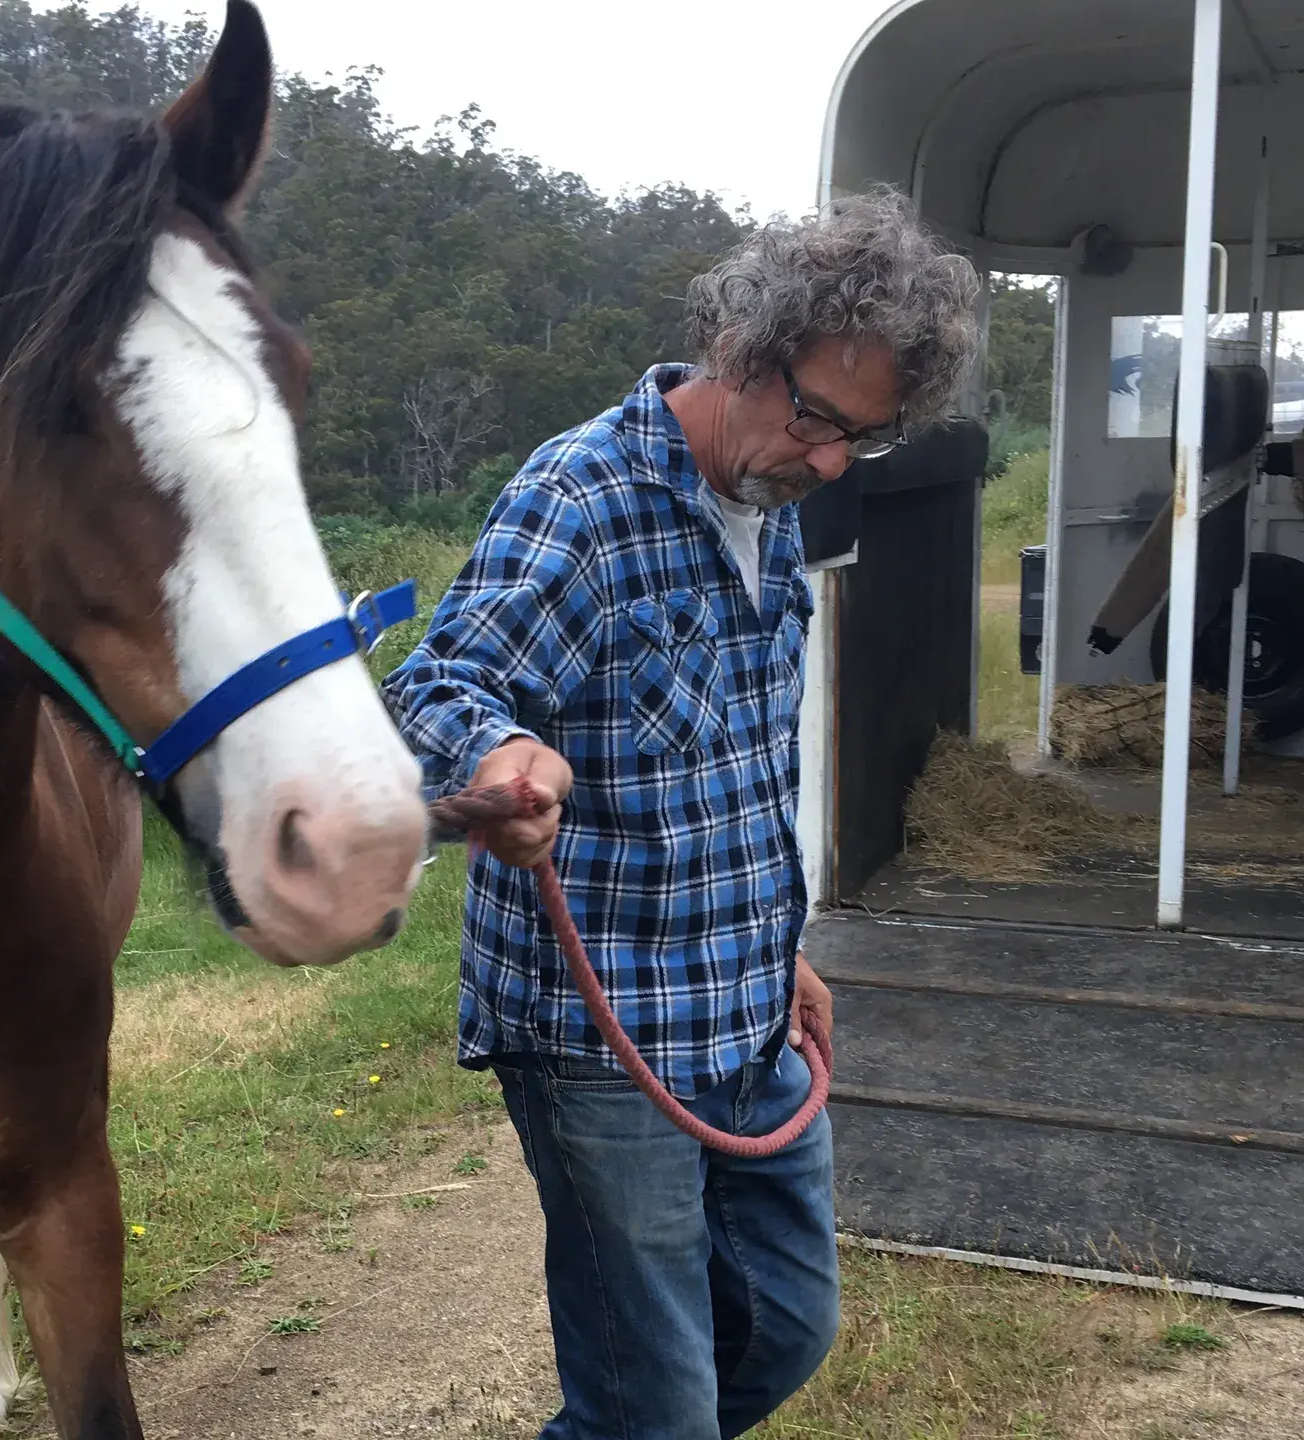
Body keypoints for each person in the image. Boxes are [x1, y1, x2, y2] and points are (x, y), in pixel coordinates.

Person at [381, 186, 981, 1438]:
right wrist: (501, 752)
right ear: (739, 352)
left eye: (859, 444)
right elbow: (434, 685)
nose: (827, 463)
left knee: (785, 1324)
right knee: (653, 1406)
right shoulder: (583, 497)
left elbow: (740, 768)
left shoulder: (778, 507)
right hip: (602, 1042)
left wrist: (786, 954)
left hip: (748, 1010)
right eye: (818, 418)